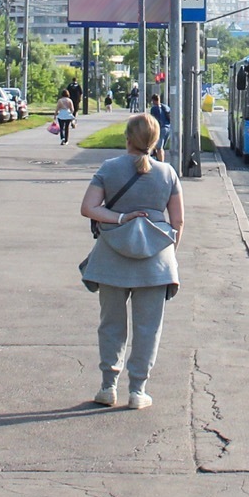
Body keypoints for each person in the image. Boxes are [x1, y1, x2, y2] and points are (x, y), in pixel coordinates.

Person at [79, 112, 182, 410]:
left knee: (111, 324)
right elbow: (178, 221)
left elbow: (88, 208)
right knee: (148, 328)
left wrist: (120, 217)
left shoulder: (109, 168)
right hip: (155, 264)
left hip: (111, 260)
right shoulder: (167, 173)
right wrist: (167, 255)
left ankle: (107, 386)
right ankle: (138, 391)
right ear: (156, 141)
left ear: (127, 138)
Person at [147, 93, 172, 160]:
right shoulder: (165, 107)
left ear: (153, 100)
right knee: (160, 146)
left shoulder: (154, 108)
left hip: (161, 128)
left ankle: (161, 163)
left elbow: (153, 120)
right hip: (168, 128)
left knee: (159, 148)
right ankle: (158, 158)